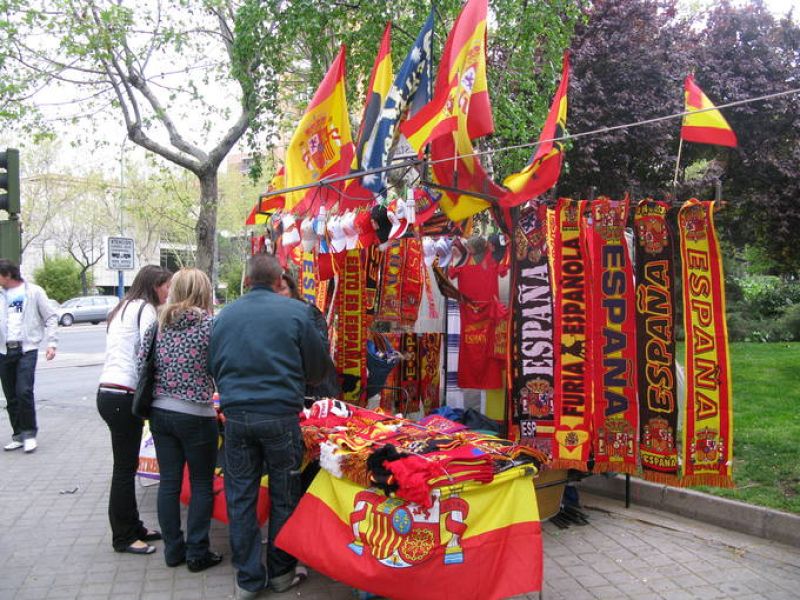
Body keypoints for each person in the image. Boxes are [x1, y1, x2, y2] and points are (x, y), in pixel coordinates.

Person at [209, 254, 332, 599]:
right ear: (280, 280)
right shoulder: (297, 313)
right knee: (285, 495)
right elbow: (319, 370)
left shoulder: (225, 315)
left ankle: (248, 578)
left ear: (246, 280)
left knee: (242, 496)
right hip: (280, 416)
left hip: (237, 418)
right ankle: (280, 573)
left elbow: (212, 363)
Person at [138, 268, 222, 571]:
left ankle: (173, 550)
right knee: (201, 483)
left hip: (160, 412)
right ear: (203, 291)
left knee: (169, 483)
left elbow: (141, 363)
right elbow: (220, 366)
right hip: (197, 413)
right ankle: (198, 552)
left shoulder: (157, 325)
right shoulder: (210, 325)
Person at [97, 265, 172, 555]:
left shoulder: (122, 308)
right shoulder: (146, 310)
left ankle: (134, 525)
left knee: (125, 466)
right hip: (124, 395)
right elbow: (148, 355)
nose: (168, 292)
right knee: (124, 469)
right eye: (166, 286)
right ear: (155, 286)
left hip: (108, 391)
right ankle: (124, 536)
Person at [0, 259, 58, 453]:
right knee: (11, 396)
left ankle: (29, 433)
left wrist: (51, 343)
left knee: (24, 391)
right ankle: (18, 434)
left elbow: (50, 316)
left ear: (8, 275)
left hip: (27, 349)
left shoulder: (33, 292)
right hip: (4, 350)